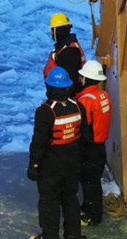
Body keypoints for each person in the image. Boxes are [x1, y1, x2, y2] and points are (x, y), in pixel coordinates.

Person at [27, 66, 88, 239]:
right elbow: (85, 136)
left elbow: (38, 142)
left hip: (51, 167)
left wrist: (34, 165)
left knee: (49, 202)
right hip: (72, 164)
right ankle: (73, 235)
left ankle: (50, 235)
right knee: (70, 199)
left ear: (50, 88)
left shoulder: (45, 111)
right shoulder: (78, 107)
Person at [75, 60, 111, 226]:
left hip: (89, 147)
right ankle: (89, 208)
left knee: (90, 182)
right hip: (100, 145)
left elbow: (83, 124)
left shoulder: (86, 100)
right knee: (94, 180)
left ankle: (92, 216)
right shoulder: (103, 95)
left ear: (85, 79)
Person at [43, 13, 85, 96]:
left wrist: (61, 98)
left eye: (52, 30)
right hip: (57, 90)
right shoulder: (64, 47)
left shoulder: (69, 52)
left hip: (62, 94)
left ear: (58, 31)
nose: (51, 33)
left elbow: (70, 80)